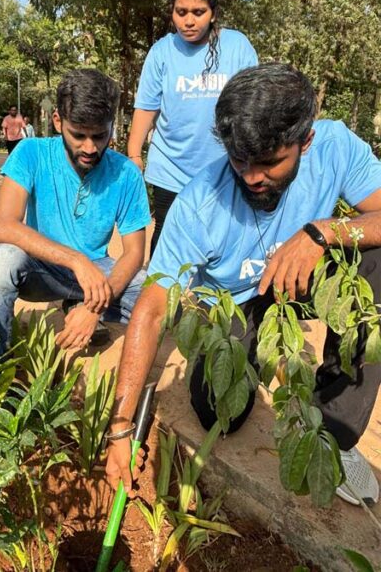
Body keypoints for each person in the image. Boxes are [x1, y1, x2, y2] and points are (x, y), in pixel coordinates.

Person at [105, 63, 381, 507]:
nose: (252, 177)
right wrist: (120, 426)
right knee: (221, 413)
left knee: (376, 261)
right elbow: (153, 307)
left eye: (270, 162)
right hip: (240, 303)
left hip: (308, 274)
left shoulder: (334, 147)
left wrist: (323, 232)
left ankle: (334, 430)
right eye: (240, 161)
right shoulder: (200, 203)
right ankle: (255, 358)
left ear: (304, 142)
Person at [0, 69, 151, 360]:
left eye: (100, 136)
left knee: (158, 298)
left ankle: (81, 303)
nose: (89, 147)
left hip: (97, 272)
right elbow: (3, 226)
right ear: (58, 121)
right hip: (42, 270)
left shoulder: (126, 173)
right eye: (78, 135)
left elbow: (134, 253)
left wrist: (93, 307)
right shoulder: (30, 152)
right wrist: (76, 259)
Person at [127, 0, 258, 254]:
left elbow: (254, 103)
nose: (188, 21)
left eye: (198, 12)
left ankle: (212, 298)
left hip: (227, 167)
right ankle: (160, 296)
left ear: (213, 12)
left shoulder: (237, 47)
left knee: (224, 237)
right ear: (172, 12)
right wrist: (134, 155)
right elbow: (146, 107)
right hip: (170, 168)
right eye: (181, 12)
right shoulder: (161, 52)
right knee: (166, 234)